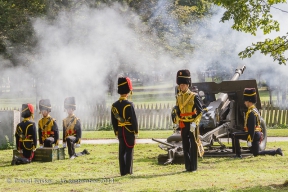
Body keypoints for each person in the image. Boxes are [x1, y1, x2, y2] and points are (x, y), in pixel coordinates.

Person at [232, 88, 283, 158]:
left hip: (252, 134)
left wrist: (250, 139)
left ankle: (238, 155)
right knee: (256, 153)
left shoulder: (251, 112)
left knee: (234, 135)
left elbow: (251, 127)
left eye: (245, 101)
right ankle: (276, 151)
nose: (244, 102)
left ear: (249, 101)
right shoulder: (254, 110)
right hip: (257, 134)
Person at [174, 69, 203, 172]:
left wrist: (195, 123)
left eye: (183, 84)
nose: (182, 86)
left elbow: (200, 111)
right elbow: (177, 110)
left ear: (188, 84)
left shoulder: (194, 96)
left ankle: (193, 167)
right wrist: (176, 119)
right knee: (185, 145)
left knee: (193, 145)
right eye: (180, 84)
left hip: (192, 124)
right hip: (183, 124)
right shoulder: (178, 97)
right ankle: (187, 166)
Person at [111, 77, 138, 176]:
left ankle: (122, 171)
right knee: (129, 150)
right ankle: (128, 171)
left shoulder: (114, 105)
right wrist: (135, 131)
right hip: (128, 130)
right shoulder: (129, 104)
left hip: (120, 130)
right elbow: (134, 120)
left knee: (121, 151)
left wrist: (116, 131)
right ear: (128, 90)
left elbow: (114, 121)